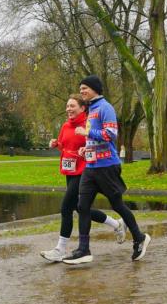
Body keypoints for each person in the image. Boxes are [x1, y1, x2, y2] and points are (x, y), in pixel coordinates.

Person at [67, 75, 150, 264]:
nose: (82, 92)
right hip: (91, 166)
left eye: (84, 89)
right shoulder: (91, 109)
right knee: (82, 206)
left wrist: (87, 132)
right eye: (80, 89)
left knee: (117, 205)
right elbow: (96, 139)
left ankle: (139, 237)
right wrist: (86, 147)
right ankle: (83, 249)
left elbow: (111, 135)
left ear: (95, 89)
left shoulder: (105, 108)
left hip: (107, 167)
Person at [41, 94, 126, 262]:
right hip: (70, 172)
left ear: (82, 108)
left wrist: (85, 151)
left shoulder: (88, 124)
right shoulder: (65, 126)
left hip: (84, 171)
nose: (68, 109)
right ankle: (116, 224)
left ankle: (61, 249)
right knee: (80, 209)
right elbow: (65, 146)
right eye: (67, 106)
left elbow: (97, 144)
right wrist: (55, 144)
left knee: (66, 207)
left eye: (72, 106)